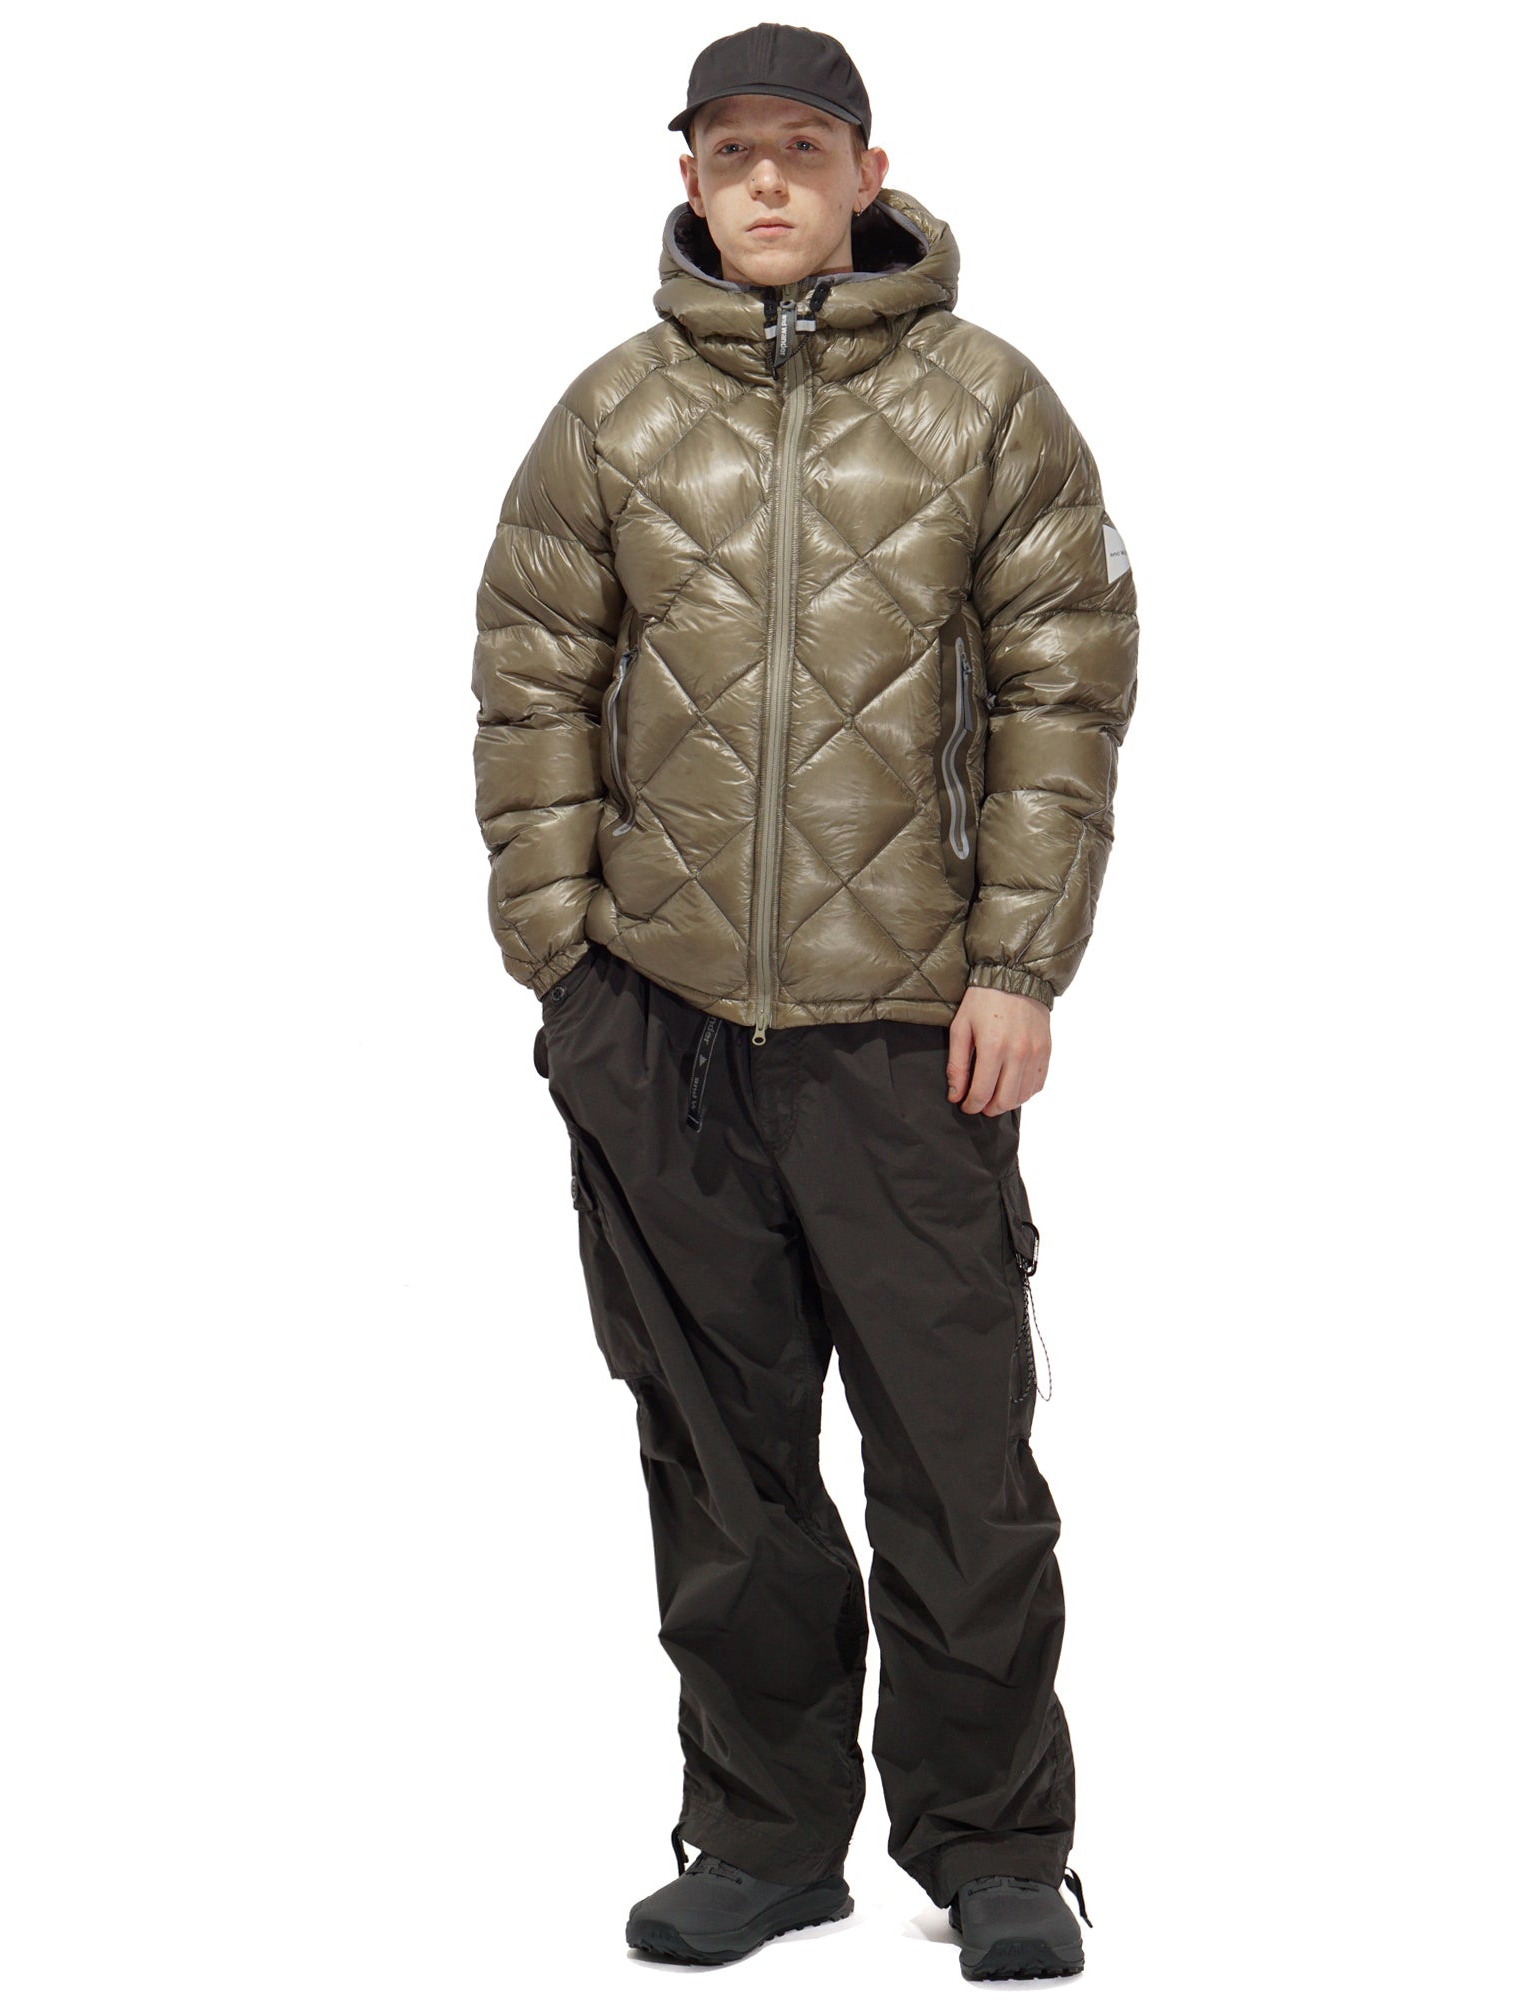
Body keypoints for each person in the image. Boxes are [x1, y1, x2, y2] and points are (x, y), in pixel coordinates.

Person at [470, 22, 1137, 1981]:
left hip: (910, 1035)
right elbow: (530, 677)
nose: (767, 182)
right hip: (661, 1030)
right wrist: (562, 957)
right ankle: (764, 1836)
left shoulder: (989, 407)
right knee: (723, 1464)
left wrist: (1016, 963)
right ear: (688, 179)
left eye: (803, 150)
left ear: (866, 173)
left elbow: (1064, 697)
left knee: (958, 1463)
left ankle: (995, 1845)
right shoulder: (611, 417)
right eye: (732, 152)